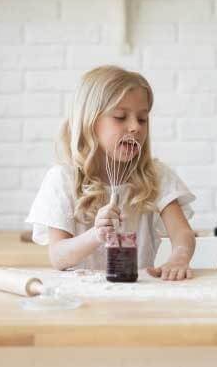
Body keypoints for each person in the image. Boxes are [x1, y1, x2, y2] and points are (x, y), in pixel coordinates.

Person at [26, 65, 196, 280]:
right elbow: (58, 257)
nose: (135, 127)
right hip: (82, 297)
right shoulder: (63, 179)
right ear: (89, 122)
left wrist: (179, 258)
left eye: (142, 119)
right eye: (120, 117)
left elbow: (183, 234)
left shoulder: (156, 176)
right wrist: (95, 235)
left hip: (138, 295)